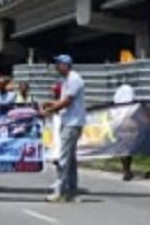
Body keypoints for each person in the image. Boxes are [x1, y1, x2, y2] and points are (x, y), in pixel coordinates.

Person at [41, 54, 86, 203]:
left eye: (58, 64)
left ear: (66, 65)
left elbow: (67, 102)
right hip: (68, 121)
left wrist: (48, 111)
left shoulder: (74, 79)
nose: (56, 67)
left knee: (63, 158)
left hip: (72, 123)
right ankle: (72, 192)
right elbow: (62, 101)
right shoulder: (66, 80)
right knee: (71, 160)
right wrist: (50, 103)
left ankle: (59, 191)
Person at [113, 83, 136, 181]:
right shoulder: (129, 91)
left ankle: (126, 170)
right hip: (127, 121)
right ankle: (127, 170)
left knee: (123, 147)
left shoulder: (118, 93)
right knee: (128, 148)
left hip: (119, 121)